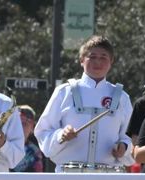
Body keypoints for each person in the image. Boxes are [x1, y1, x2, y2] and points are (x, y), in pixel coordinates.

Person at [35, 36, 134, 172]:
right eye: (92, 57)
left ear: (111, 62)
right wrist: (61, 135)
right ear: (82, 60)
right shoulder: (64, 92)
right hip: (69, 176)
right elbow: (43, 131)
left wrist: (124, 147)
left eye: (103, 57)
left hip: (108, 178)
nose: (97, 62)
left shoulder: (122, 97)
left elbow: (130, 137)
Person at [11, 105, 44, 172]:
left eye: (24, 124)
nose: (20, 128)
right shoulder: (3, 144)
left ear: (32, 128)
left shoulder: (35, 151)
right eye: (18, 124)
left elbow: (38, 176)